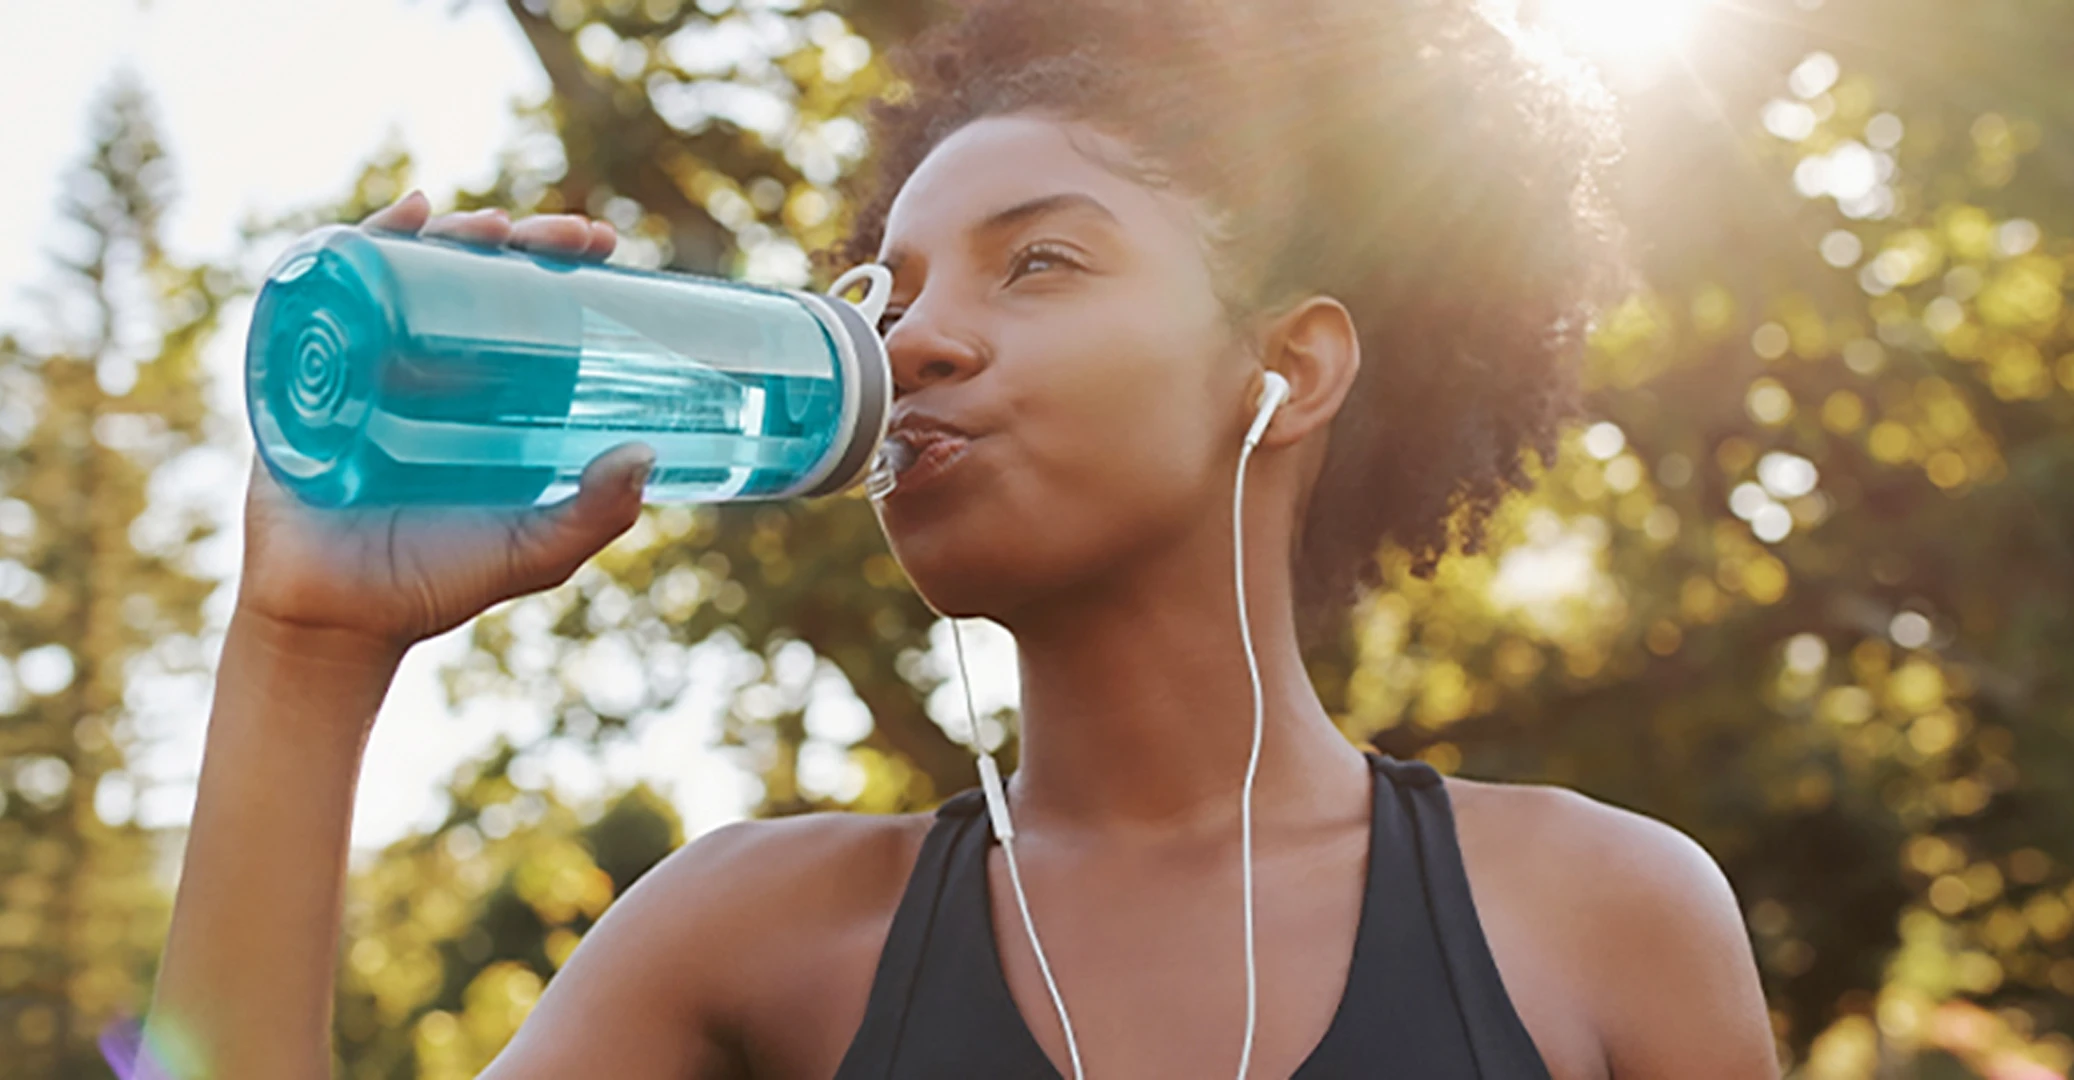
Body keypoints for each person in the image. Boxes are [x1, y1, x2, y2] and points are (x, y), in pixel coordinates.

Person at [143, 0, 1779, 1076]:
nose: (914, 342)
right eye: (893, 287)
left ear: (1285, 372)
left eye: (1040, 264)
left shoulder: (1593, 915)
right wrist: (305, 653)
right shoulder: (751, 937)